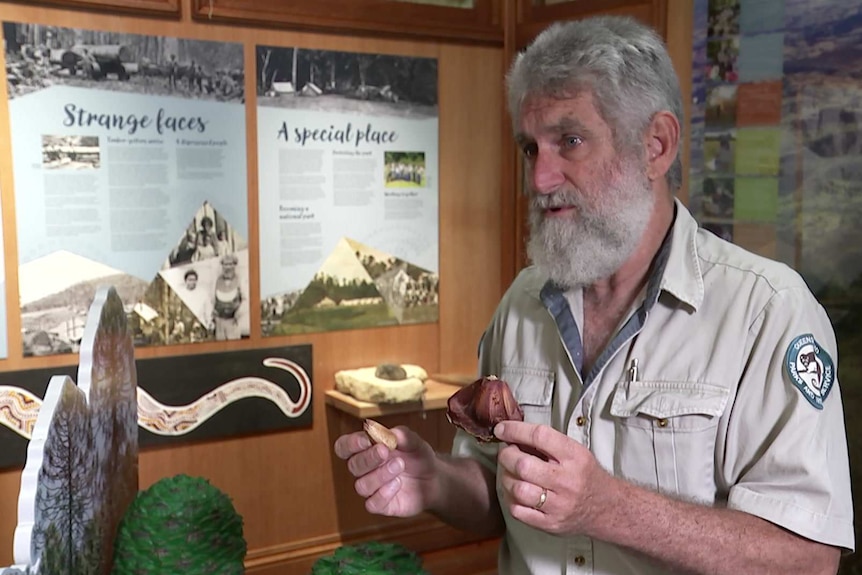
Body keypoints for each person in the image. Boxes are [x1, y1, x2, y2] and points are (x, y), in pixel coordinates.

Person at [334, 15, 854, 575]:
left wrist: (609, 509)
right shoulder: (522, 304)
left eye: (570, 141)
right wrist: (436, 479)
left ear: (656, 145)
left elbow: (807, 558)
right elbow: (497, 487)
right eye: (531, 148)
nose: (540, 178)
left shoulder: (767, 311)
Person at [211, 253, 243, 341]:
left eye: (230, 264)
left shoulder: (240, 280)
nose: (228, 267)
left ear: (234, 265)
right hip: (219, 321)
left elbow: (245, 300)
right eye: (225, 264)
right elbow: (212, 299)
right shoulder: (217, 280)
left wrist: (239, 312)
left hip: (233, 321)